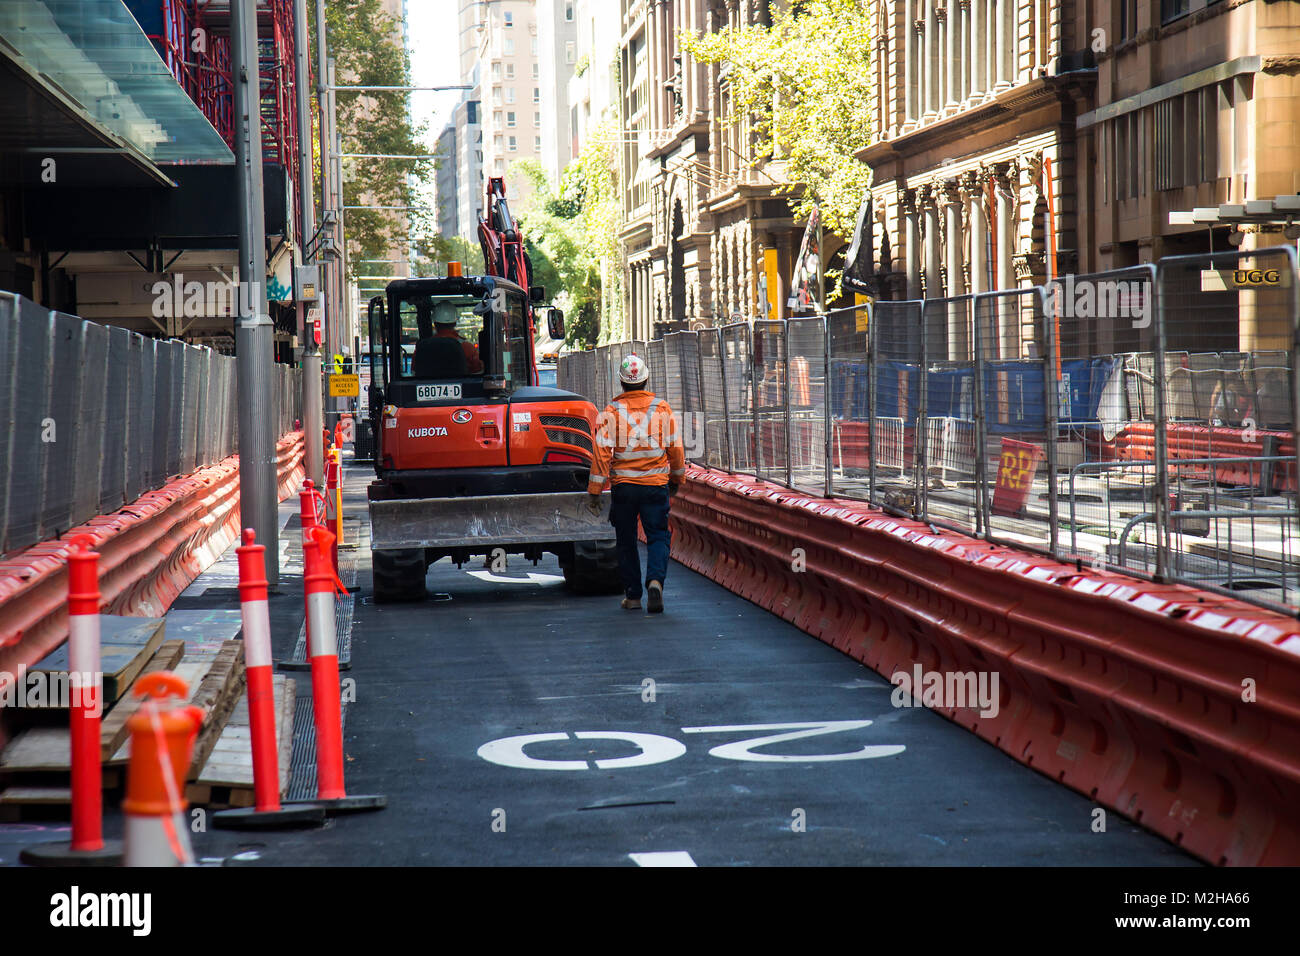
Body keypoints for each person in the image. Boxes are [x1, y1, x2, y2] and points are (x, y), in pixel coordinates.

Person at [585, 353, 686, 613]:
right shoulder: (661, 408)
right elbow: (675, 447)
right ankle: (655, 581)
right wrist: (676, 479)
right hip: (655, 485)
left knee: (626, 540)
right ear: (646, 379)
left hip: (625, 489)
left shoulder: (610, 412)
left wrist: (595, 490)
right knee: (658, 536)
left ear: (621, 383)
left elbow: (601, 453)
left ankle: (633, 597)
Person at [432, 303, 483, 373]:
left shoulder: (422, 348)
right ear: (455, 322)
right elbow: (478, 371)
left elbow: (415, 372)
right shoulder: (467, 347)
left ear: (434, 323)